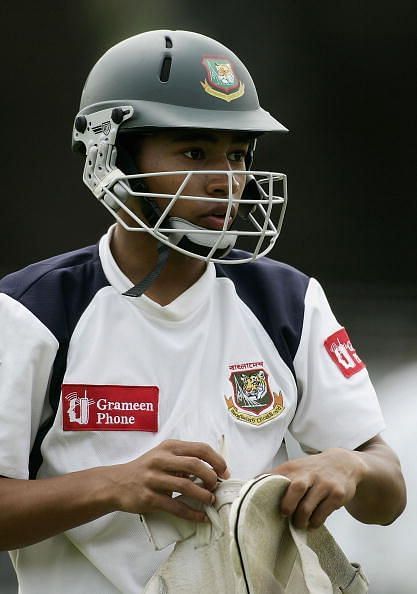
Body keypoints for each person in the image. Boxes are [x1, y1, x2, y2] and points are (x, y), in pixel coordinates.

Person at [0, 29, 406, 594]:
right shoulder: (30, 312)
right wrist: (115, 484)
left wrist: (350, 467)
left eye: (237, 154)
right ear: (109, 154)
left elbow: (388, 497)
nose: (227, 180)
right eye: (195, 152)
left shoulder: (287, 301)